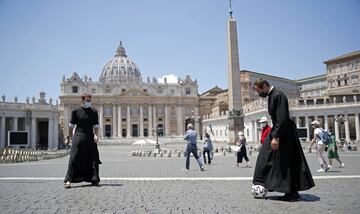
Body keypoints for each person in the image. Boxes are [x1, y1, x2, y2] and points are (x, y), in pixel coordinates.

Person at [252, 79, 315, 201]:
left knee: (284, 161)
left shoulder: (278, 95)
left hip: (283, 132)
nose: (258, 94)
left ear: (264, 86)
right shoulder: (272, 96)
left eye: (259, 90)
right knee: (278, 160)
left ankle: (290, 192)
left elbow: (282, 117)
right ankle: (283, 188)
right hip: (279, 130)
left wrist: (276, 136)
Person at [64, 93, 101, 188]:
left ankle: (94, 178)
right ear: (83, 100)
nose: (89, 102)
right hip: (79, 136)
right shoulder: (75, 111)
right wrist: (70, 136)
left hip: (90, 137)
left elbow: (96, 125)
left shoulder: (94, 111)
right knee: (74, 156)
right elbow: (71, 126)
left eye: (90, 100)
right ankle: (68, 180)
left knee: (93, 157)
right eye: (88, 100)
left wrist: (96, 135)